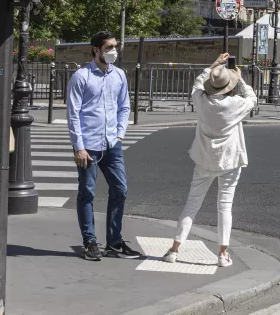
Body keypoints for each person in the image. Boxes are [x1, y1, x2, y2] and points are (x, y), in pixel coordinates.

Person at [163, 52, 258, 267]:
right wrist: (239, 78)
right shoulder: (234, 104)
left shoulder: (201, 101)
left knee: (192, 204)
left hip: (204, 159)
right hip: (230, 159)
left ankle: (174, 249)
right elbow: (252, 98)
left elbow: (197, 84)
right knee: (225, 206)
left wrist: (213, 66)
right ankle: (222, 255)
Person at [67, 31, 140, 261]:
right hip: (88, 145)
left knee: (120, 189)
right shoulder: (81, 76)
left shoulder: (119, 75)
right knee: (87, 193)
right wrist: (78, 146)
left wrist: (119, 135)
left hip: (111, 144)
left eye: (115, 47)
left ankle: (114, 241)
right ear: (96, 50)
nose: (113, 51)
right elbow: (73, 114)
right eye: (109, 47)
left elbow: (124, 107)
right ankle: (90, 241)